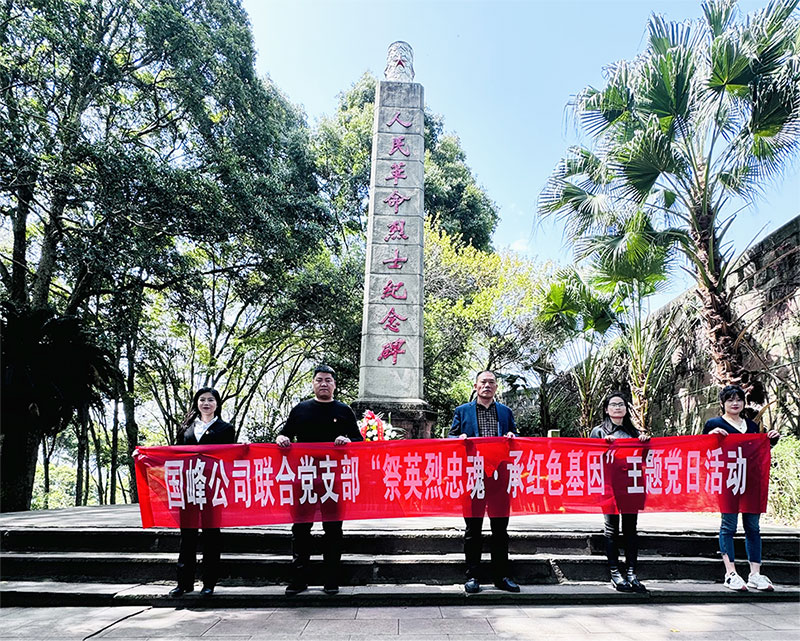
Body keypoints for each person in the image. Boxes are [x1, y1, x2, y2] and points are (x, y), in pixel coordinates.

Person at [276, 364, 362, 596]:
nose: (323, 384)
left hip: (333, 479)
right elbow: (285, 433)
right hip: (304, 478)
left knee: (333, 529)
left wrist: (348, 441)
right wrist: (281, 438)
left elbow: (358, 440)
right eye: (319, 380)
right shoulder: (300, 409)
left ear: (334, 385)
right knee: (301, 528)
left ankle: (331, 579)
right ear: (313, 383)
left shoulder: (343, 410)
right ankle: (298, 579)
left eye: (328, 380)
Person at [703, 384, 781, 592]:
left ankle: (755, 574)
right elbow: (703, 450)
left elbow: (757, 451)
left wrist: (770, 441)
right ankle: (730, 573)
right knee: (728, 526)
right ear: (722, 403)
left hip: (751, 482)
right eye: (730, 400)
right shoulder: (714, 424)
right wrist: (711, 436)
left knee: (753, 527)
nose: (735, 403)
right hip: (727, 482)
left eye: (739, 399)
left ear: (744, 403)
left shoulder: (752, 426)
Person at [449, 370, 520, 594]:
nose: (487, 385)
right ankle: (473, 576)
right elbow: (451, 437)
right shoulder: (462, 411)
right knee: (473, 529)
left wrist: (512, 437)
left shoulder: (505, 412)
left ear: (496, 387)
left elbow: (516, 438)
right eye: (483, 382)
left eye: (491, 382)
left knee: (500, 529)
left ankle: (501, 576)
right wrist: (459, 439)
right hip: (473, 477)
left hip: (499, 477)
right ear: (476, 386)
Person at [169, 387, 236, 598]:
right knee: (187, 536)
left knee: (211, 536)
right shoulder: (186, 428)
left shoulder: (226, 428)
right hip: (188, 487)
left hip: (212, 488)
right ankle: (184, 583)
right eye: (202, 400)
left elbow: (230, 456)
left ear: (217, 404)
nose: (206, 403)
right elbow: (174, 454)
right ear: (196, 403)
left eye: (211, 400)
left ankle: (209, 583)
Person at [589, 391, 650, 593]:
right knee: (612, 529)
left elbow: (645, 460)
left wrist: (645, 444)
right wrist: (602, 447)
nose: (617, 407)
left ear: (626, 409)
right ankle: (615, 573)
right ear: (606, 409)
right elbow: (590, 457)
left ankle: (632, 572)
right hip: (609, 487)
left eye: (621, 404)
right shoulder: (599, 432)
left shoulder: (635, 432)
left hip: (632, 485)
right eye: (613, 404)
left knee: (631, 529)